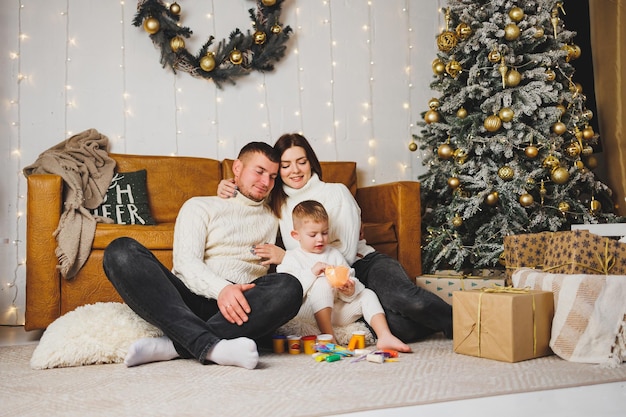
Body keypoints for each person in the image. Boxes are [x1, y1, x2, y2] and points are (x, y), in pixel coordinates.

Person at [218, 133, 452, 343]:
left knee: (408, 300)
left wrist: (286, 256)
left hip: (362, 265)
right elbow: (248, 197)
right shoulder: (277, 203)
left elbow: (347, 253)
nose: (295, 171)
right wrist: (226, 186)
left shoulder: (335, 191)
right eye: (286, 165)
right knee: (401, 327)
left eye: (302, 162)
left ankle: (467, 323)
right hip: (326, 282)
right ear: (277, 171)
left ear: (311, 163)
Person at [103, 142, 303, 369]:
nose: (265, 182)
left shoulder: (277, 214)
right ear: (237, 168)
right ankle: (212, 344)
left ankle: (173, 346)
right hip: (187, 299)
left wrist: (284, 257)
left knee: (290, 286)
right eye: (259, 171)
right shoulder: (199, 206)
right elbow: (186, 263)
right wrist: (221, 289)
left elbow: (310, 214)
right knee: (120, 252)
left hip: (243, 306)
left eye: (273, 176)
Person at [277, 200, 411, 352]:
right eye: (313, 235)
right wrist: (311, 273)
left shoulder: (334, 254)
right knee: (322, 282)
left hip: (336, 314)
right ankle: (329, 336)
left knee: (366, 293)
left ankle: (384, 335)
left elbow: (351, 278)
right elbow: (286, 292)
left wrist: (349, 289)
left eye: (325, 232)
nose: (320, 239)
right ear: (296, 235)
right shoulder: (291, 258)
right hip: (309, 313)